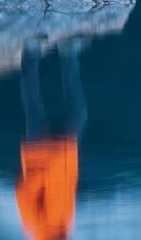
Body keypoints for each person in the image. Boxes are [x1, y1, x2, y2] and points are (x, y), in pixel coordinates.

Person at [16, 37, 88, 240]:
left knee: (33, 100)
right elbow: (69, 185)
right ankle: (68, 52)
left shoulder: (34, 227)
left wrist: (43, 171)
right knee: (79, 110)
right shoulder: (65, 226)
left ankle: (30, 54)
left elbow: (23, 194)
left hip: (40, 152)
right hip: (66, 149)